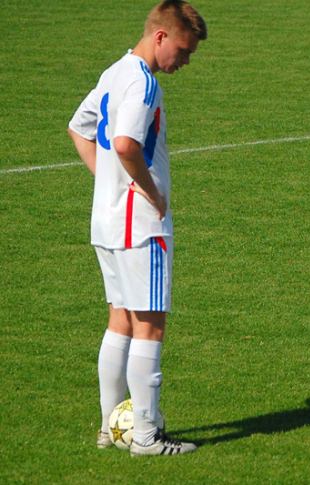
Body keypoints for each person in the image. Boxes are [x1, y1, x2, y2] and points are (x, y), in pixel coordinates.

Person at [67, 0, 206, 456]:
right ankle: (145, 437)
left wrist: (107, 179)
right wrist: (148, 191)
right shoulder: (144, 83)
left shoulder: (114, 72)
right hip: (140, 227)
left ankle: (111, 428)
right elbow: (125, 143)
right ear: (161, 36)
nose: (183, 63)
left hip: (106, 223)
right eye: (183, 51)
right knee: (150, 326)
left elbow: (79, 128)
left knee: (120, 322)